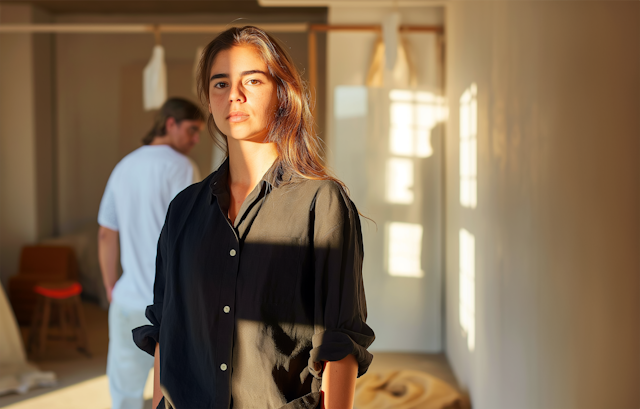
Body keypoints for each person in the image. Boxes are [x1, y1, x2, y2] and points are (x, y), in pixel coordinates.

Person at [133, 26, 375, 409]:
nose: (234, 95)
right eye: (220, 83)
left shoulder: (322, 202)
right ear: (209, 100)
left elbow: (340, 342)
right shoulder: (183, 210)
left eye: (252, 80)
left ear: (281, 92)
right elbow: (167, 328)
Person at [98, 97, 205, 409]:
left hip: (128, 299)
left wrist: (110, 287)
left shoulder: (124, 166)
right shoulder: (182, 168)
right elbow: (194, 237)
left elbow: (106, 232)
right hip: (171, 303)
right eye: (192, 130)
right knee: (175, 392)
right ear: (169, 123)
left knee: (125, 394)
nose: (196, 139)